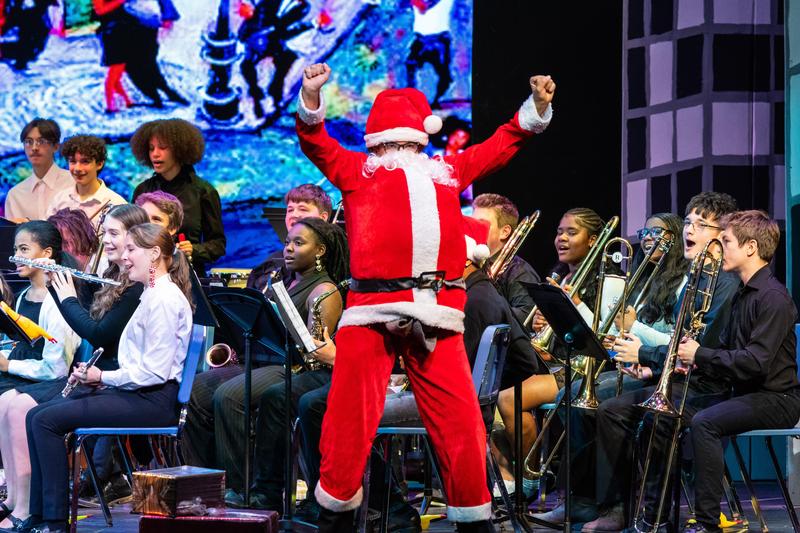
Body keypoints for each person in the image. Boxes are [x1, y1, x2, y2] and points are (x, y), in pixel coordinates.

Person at [296, 62, 554, 532]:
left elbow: (500, 147)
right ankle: (336, 516)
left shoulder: (445, 171)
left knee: (459, 425)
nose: (400, 149)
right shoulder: (358, 170)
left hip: (436, 315)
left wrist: (535, 110)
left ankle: (474, 520)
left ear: (419, 139)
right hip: (370, 313)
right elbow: (315, 141)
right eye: (394, 142)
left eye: (406, 142)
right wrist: (311, 96)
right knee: (346, 422)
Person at [579, 192, 740, 531]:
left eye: (700, 223)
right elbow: (681, 346)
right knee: (611, 409)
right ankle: (619, 507)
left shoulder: (726, 284)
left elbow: (701, 348)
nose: (689, 229)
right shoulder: (694, 280)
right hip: (684, 379)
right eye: (688, 221)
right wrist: (654, 367)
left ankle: (652, 516)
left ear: (723, 234)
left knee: (653, 419)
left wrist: (646, 355)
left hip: (712, 389)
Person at [24, 223, 194, 533]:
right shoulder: (151, 293)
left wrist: (104, 375)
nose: (125, 257)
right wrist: (100, 379)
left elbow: (154, 372)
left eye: (132, 250)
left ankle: (54, 522)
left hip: (153, 401)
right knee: (36, 414)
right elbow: (140, 363)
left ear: (155, 254)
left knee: (44, 421)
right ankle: (38, 518)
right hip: (139, 393)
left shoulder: (165, 299)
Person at [0, 205, 149, 528]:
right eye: (104, 233)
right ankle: (27, 506)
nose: (105, 241)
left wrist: (64, 296)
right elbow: (97, 331)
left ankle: (48, 517)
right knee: (23, 409)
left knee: (40, 417)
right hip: (102, 378)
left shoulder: (137, 287)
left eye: (113, 234)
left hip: (128, 387)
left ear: (135, 239)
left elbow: (98, 333)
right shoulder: (112, 279)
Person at [674, 210, 800, 533]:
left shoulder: (774, 298)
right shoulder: (742, 295)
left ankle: (706, 523)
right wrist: (690, 359)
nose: (721, 247)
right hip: (746, 393)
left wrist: (700, 354)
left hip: (777, 399)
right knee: (673, 413)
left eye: (726, 241)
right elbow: (731, 352)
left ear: (751, 248)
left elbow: (755, 362)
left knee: (705, 423)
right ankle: (656, 513)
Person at [238, 218, 348, 515]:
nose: (288, 248)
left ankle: (277, 492)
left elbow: (317, 352)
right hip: (299, 366)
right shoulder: (287, 281)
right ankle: (260, 489)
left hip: (322, 370)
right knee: (271, 395)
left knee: (279, 396)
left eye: (298, 243)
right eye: (288, 242)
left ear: (320, 251)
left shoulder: (324, 291)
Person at [494, 208, 605, 500]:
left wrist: (575, 307)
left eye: (572, 232)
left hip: (586, 371)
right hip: (557, 364)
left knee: (507, 397)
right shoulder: (560, 276)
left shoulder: (606, 279)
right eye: (559, 232)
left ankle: (528, 477)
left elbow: (603, 334)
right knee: (490, 397)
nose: (562, 239)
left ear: (593, 240)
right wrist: (544, 321)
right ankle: (515, 477)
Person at [131, 119, 226, 275]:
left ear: (180, 150)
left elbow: (218, 245)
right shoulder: (142, 190)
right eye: (151, 148)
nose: (155, 154)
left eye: (162, 147)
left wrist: (194, 250)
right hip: (147, 275)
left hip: (187, 277)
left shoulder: (203, 192)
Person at [0, 221, 80, 397]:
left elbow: (56, 369)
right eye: (15, 250)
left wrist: (8, 365)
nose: (16, 256)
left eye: (24, 249)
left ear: (46, 253)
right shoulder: (23, 296)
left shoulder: (58, 302)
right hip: (16, 374)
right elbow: (17, 346)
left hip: (39, 383)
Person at [247, 183, 332, 291]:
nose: (294, 215)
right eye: (290, 210)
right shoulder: (271, 264)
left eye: (303, 209)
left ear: (323, 217)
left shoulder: (338, 265)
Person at [471, 193, 540, 323]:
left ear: (505, 232)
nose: (472, 228)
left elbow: (526, 316)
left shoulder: (520, 271)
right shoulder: (470, 263)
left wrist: (482, 311)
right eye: (471, 222)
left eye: (481, 223)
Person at [238, 0, 313, 119]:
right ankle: (258, 96)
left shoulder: (301, 7)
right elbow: (280, 28)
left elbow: (285, 29)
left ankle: (274, 94)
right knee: (248, 65)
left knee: (286, 59)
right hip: (259, 38)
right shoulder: (267, 6)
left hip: (272, 39)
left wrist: (312, 24)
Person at [4, 118, 73, 222]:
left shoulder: (73, 183)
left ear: (56, 146)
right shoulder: (15, 196)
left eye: (41, 141)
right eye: (29, 142)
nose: (34, 147)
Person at [46, 135, 128, 221]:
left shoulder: (116, 203)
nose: (77, 168)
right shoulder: (60, 200)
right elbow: (47, 232)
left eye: (85, 162)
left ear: (99, 164)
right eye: (73, 161)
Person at [405, 0, 455, 107]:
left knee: (443, 73)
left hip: (439, 39)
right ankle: (413, 98)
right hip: (421, 38)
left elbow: (424, 7)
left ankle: (436, 100)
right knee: (411, 65)